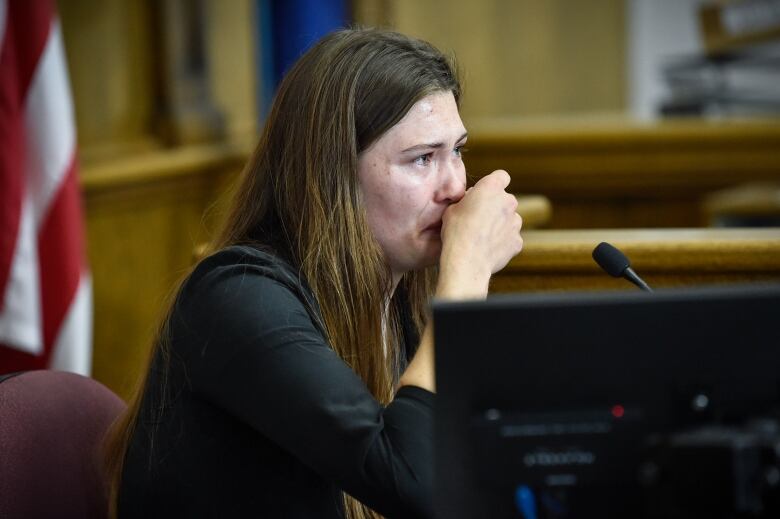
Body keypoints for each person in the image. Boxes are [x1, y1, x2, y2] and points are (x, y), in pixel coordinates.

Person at [104, 28, 523, 519]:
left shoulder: (399, 292)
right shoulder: (238, 297)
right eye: (423, 159)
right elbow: (417, 484)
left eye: (458, 151)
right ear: (334, 176)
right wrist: (465, 281)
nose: (456, 186)